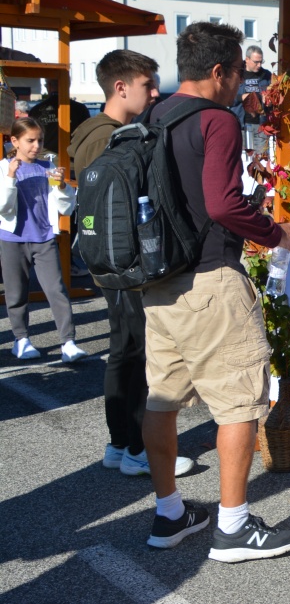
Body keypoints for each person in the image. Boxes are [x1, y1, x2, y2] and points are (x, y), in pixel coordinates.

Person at [139, 21, 290, 562]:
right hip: (209, 277)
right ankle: (232, 527)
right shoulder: (216, 121)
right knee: (237, 403)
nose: (241, 87)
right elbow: (222, 205)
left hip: (158, 281)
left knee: (162, 400)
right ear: (218, 72)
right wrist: (273, 231)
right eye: (237, 76)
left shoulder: (154, 113)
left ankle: (169, 514)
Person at [69, 50, 196, 478]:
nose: (156, 91)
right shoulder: (110, 136)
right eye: (148, 84)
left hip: (106, 258)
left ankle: (121, 443)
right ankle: (139, 448)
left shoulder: (95, 131)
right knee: (139, 352)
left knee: (123, 350)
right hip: (121, 259)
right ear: (121, 88)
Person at [0, 118, 81, 361]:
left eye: (40, 140)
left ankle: (68, 342)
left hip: (44, 238)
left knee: (56, 290)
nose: (36, 145)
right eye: (30, 140)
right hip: (11, 238)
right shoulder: (4, 167)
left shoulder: (48, 167)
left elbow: (66, 209)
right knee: (16, 293)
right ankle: (21, 339)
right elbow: (3, 207)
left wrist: (64, 187)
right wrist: (11, 177)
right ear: (14, 141)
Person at [27, 77, 92, 156]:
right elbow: (87, 136)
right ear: (68, 85)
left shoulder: (36, 110)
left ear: (49, 86)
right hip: (71, 159)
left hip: (44, 159)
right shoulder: (80, 109)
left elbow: (29, 136)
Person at [229, 45, 272, 153]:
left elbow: (273, 98)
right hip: (240, 125)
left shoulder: (266, 75)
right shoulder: (236, 74)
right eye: (256, 62)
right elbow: (227, 99)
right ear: (247, 59)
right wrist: (241, 97)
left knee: (261, 158)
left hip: (260, 125)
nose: (259, 65)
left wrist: (269, 100)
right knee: (240, 157)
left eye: (261, 62)